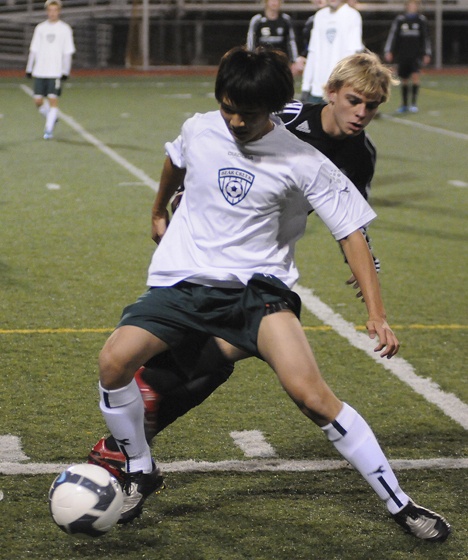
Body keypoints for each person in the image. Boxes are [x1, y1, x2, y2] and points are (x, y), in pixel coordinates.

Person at [93, 46, 450, 542]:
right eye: (228, 108)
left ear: (272, 109)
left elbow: (351, 232)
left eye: (248, 113)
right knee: (114, 361)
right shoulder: (201, 127)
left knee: (312, 397)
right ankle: (139, 469)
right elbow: (174, 159)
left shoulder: (307, 162)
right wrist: (158, 210)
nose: (236, 121)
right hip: (184, 280)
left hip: (258, 291)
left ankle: (401, 504)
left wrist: (377, 313)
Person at [25, 0, 75, 140]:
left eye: (55, 10)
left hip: (55, 71)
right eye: (50, 10)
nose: (52, 13)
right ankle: (51, 117)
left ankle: (48, 129)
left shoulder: (65, 29)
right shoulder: (40, 28)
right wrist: (29, 68)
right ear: (47, 11)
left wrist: (66, 71)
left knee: (53, 99)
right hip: (40, 70)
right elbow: (33, 50)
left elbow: (68, 52)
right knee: (38, 101)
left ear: (59, 11)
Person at [301, 0, 363, 103]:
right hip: (317, 90)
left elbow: (353, 55)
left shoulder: (352, 16)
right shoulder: (320, 16)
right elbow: (313, 52)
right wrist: (306, 86)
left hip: (339, 89)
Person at [384, 0, 431, 114]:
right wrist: (389, 51)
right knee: (404, 79)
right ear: (406, 6)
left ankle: (414, 104)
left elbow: (425, 38)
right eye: (410, 5)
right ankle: (404, 105)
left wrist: (427, 53)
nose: (412, 7)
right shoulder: (400, 20)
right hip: (403, 54)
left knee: (415, 76)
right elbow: (393, 36)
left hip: (415, 55)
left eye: (414, 5)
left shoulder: (421, 20)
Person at [246, 0, 301, 74]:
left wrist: (294, 60)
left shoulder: (286, 20)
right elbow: (251, 41)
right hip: (262, 62)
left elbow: (291, 41)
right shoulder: (257, 20)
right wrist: (250, 57)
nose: (274, 2)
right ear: (266, 2)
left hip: (281, 62)